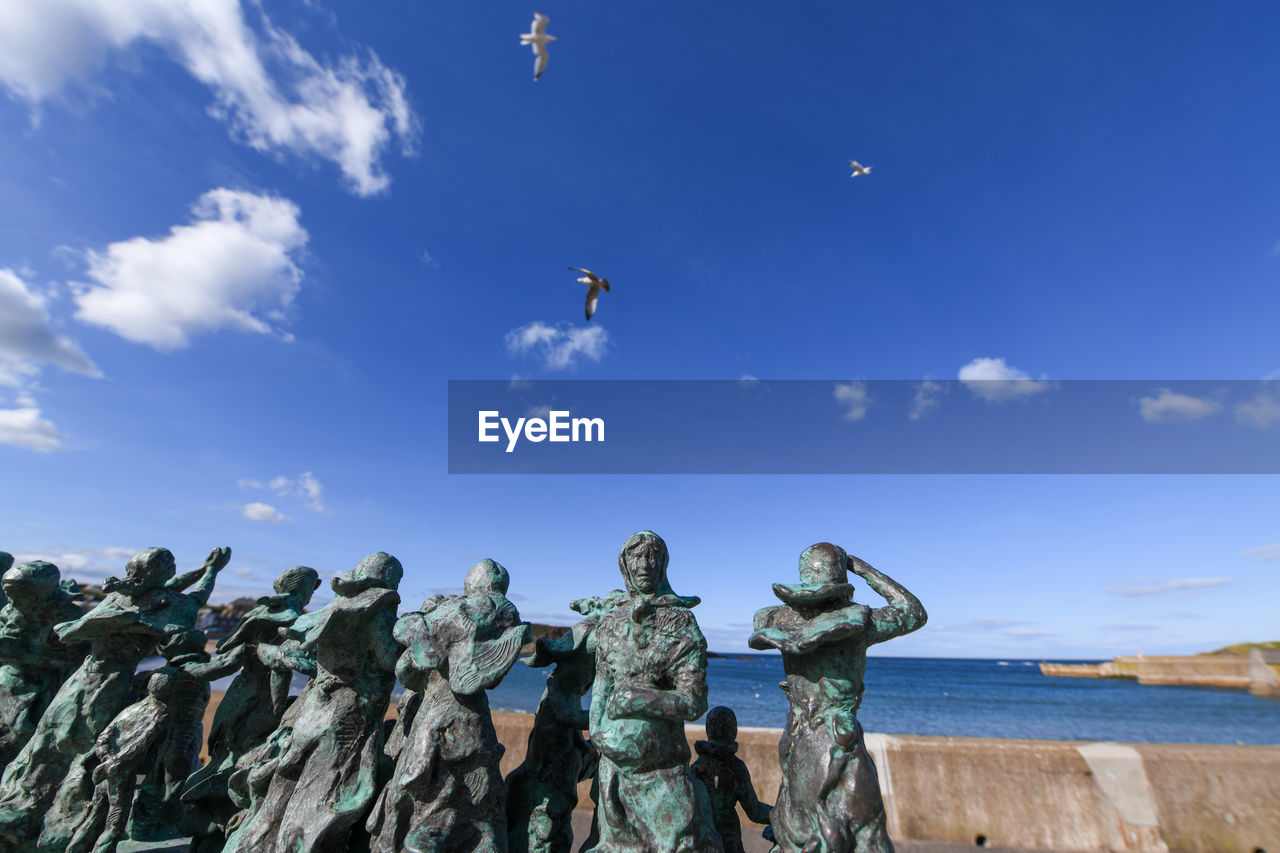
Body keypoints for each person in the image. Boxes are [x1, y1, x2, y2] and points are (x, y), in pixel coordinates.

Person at [0, 546, 227, 852]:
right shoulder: (124, 598)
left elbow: (185, 598)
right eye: (133, 573)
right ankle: (20, 813)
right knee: (46, 743)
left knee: (81, 751)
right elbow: (68, 633)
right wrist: (208, 571)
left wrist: (209, 570)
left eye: (139, 574)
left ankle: (56, 825)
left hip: (108, 683)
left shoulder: (159, 600)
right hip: (83, 680)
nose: (133, 578)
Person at [749, 543, 926, 853]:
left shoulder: (781, 619)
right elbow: (913, 612)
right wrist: (866, 570)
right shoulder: (861, 623)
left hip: (799, 739)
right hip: (835, 740)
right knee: (860, 835)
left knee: (803, 831)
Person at [221, 552, 402, 853]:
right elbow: (389, 660)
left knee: (286, 781)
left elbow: (295, 650)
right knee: (329, 792)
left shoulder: (333, 609)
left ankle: (253, 844)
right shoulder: (378, 611)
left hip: (315, 706)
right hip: (350, 712)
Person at [367, 558, 529, 853]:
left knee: (416, 789)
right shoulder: (504, 610)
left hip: (434, 713)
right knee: (479, 802)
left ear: (470, 583)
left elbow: (407, 636)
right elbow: (487, 671)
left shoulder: (448, 608)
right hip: (470, 718)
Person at [581, 531, 722, 853]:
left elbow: (693, 702)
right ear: (624, 564)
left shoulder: (681, 622)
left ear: (663, 563)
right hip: (614, 770)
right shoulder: (612, 622)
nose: (644, 564)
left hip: (663, 770)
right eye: (636, 556)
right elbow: (602, 684)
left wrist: (636, 699)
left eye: (652, 556)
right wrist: (599, 731)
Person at [0, 561, 85, 773]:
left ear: (42, 592)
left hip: (46, 685)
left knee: (23, 731)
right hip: (9, 678)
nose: (13, 600)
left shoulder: (65, 616)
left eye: (21, 594)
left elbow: (79, 660)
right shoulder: (10, 610)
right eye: (9, 593)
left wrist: (26, 654)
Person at [691, 706, 773, 853]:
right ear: (733, 731)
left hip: (702, 838)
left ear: (708, 730)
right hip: (728, 839)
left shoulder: (697, 768)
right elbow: (754, 811)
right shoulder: (736, 768)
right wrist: (782, 816)